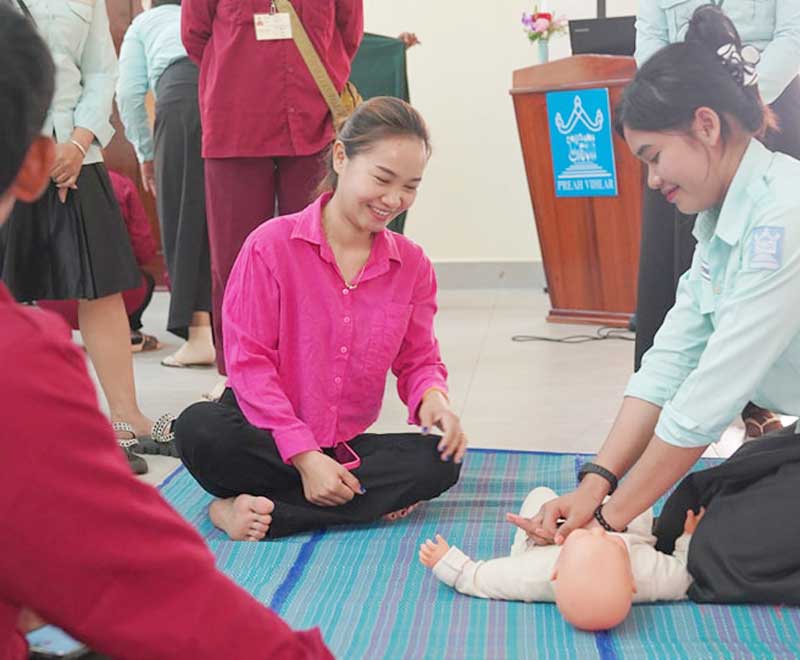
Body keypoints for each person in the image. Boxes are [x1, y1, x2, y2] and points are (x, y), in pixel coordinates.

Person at [514, 6, 800, 606]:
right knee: (689, 506)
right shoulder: (720, 221)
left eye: (654, 157)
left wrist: (606, 525)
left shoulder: (788, 217)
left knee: (724, 556)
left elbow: (712, 393)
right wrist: (596, 486)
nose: (654, 180)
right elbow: (668, 363)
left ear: (706, 126)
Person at [0, 8, 334, 658]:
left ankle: (128, 417)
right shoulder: (19, 364)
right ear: (31, 165)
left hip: (84, 140)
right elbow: (141, 590)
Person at [173, 98, 464, 541]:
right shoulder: (270, 246)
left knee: (441, 461)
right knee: (200, 429)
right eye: (383, 179)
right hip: (265, 434)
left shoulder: (413, 266)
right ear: (341, 157)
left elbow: (419, 359)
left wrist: (436, 403)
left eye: (410, 186)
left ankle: (249, 511)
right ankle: (346, 501)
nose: (394, 200)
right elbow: (248, 365)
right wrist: (306, 459)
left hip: (340, 446)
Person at [632, 0, 800, 439]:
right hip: (679, 115)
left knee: (763, 255)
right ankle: (661, 398)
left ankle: (762, 400)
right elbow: (650, 37)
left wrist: (741, 102)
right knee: (678, 258)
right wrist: (671, 103)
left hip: (765, 107)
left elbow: (796, 36)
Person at [0, 0, 168, 472]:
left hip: (77, 154)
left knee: (101, 286)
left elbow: (100, 71)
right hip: (9, 148)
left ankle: (127, 418)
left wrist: (78, 142)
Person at [182, 0, 364, 390]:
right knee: (235, 257)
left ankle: (316, 367)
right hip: (234, 119)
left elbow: (348, 33)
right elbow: (195, 36)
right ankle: (238, 373)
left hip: (315, 121)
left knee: (319, 255)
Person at [419, 487, 704, 631]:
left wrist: (445, 561)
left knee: (541, 495)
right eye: (607, 544)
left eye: (592, 539)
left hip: (545, 547)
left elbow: (475, 577)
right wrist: (689, 537)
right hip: (627, 531)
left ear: (555, 574)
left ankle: (532, 539)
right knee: (638, 503)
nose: (598, 535)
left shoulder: (535, 573)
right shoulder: (647, 573)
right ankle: (606, 506)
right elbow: (686, 573)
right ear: (632, 582)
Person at [117, 0, 215, 368]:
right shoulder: (212, 12)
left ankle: (200, 335)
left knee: (183, 215)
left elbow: (129, 93)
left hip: (181, 105)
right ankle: (234, 333)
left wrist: (145, 154)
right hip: (227, 96)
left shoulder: (145, 24)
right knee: (227, 217)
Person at [37, 169, 161, 363]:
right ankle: (128, 329)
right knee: (145, 280)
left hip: (49, 297)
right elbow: (143, 250)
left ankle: (58, 333)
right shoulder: (121, 184)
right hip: (113, 295)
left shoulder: (36, 182)